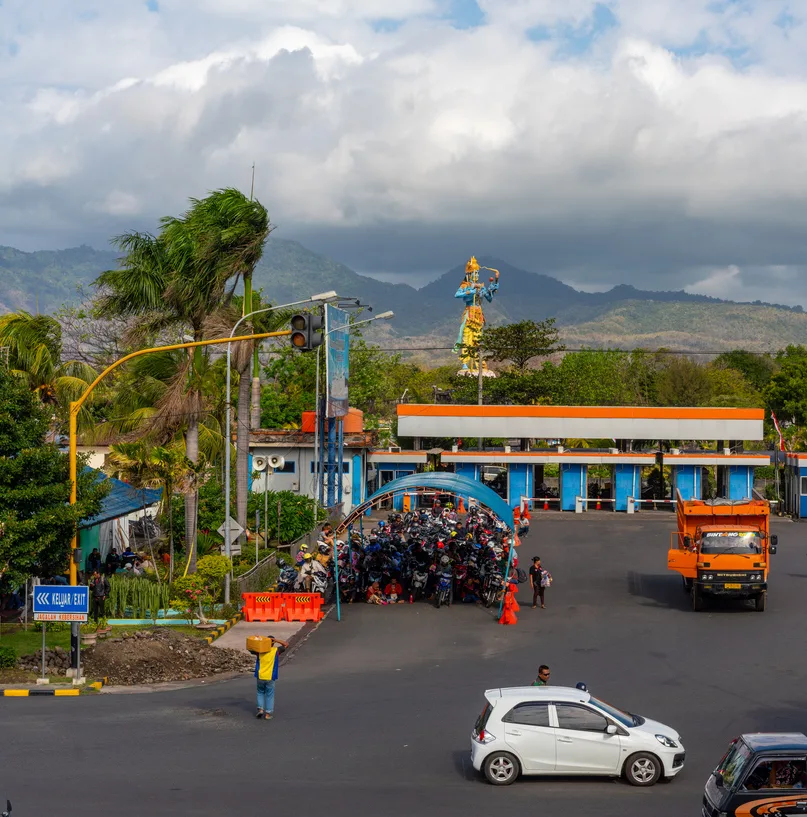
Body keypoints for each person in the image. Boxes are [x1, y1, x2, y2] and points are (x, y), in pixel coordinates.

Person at [249, 636, 289, 720]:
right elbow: (286, 644)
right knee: (269, 695)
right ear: (273, 643)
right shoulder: (276, 651)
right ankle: (268, 714)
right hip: (270, 677)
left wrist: (257, 641)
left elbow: (250, 648)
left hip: (260, 676)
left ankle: (260, 709)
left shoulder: (259, 651)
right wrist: (275, 640)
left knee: (260, 693)